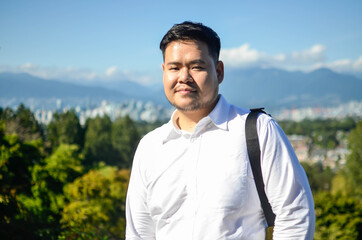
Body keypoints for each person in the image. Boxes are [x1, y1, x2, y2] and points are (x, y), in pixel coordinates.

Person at [126, 21, 315, 240]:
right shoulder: (150, 147)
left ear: (219, 71)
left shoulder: (257, 130)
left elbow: (295, 215)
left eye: (196, 66)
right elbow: (139, 233)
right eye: (174, 67)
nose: (184, 77)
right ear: (163, 72)